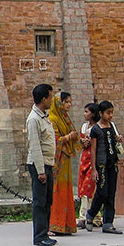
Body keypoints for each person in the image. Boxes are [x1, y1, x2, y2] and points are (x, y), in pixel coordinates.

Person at [85, 100, 123, 234]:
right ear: (101, 113)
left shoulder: (111, 126)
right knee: (102, 192)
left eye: (112, 113)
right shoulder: (96, 129)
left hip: (112, 164)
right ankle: (90, 214)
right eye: (108, 113)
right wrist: (94, 169)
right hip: (101, 165)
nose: (110, 115)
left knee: (111, 193)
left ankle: (108, 222)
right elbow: (93, 150)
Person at [26, 84, 57, 246]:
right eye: (50, 97)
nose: (51, 100)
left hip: (47, 163)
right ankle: (39, 236)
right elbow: (35, 146)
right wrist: (40, 171)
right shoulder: (33, 119)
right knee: (40, 202)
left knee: (47, 201)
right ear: (43, 99)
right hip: (39, 165)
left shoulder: (44, 117)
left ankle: (45, 232)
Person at [48, 92, 81, 235]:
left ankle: (66, 224)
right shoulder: (52, 118)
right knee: (57, 192)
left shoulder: (64, 118)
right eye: (66, 102)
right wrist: (68, 137)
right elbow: (54, 140)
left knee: (66, 191)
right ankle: (55, 224)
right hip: (57, 162)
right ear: (59, 103)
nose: (69, 104)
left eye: (69, 102)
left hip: (65, 159)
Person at [76, 103, 102, 229]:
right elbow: (81, 143)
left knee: (89, 188)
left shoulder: (98, 127)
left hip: (94, 159)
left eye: (86, 111)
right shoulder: (84, 127)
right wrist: (83, 142)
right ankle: (95, 217)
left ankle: (83, 217)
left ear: (93, 113)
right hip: (84, 159)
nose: (84, 114)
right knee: (83, 188)